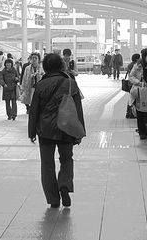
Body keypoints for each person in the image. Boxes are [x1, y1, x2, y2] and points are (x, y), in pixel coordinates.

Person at [28, 53, 85, 208]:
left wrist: (32, 132)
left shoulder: (40, 84)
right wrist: (80, 132)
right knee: (66, 159)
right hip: (66, 128)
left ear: (45, 67)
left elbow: (34, 111)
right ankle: (64, 185)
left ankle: (53, 200)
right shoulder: (70, 83)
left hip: (45, 130)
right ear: (61, 66)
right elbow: (78, 109)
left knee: (47, 164)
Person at [124, 54, 141, 119]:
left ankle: (129, 113)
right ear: (137, 59)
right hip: (134, 84)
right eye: (139, 57)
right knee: (134, 99)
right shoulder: (136, 65)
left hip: (130, 84)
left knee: (131, 99)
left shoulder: (130, 64)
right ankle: (131, 113)